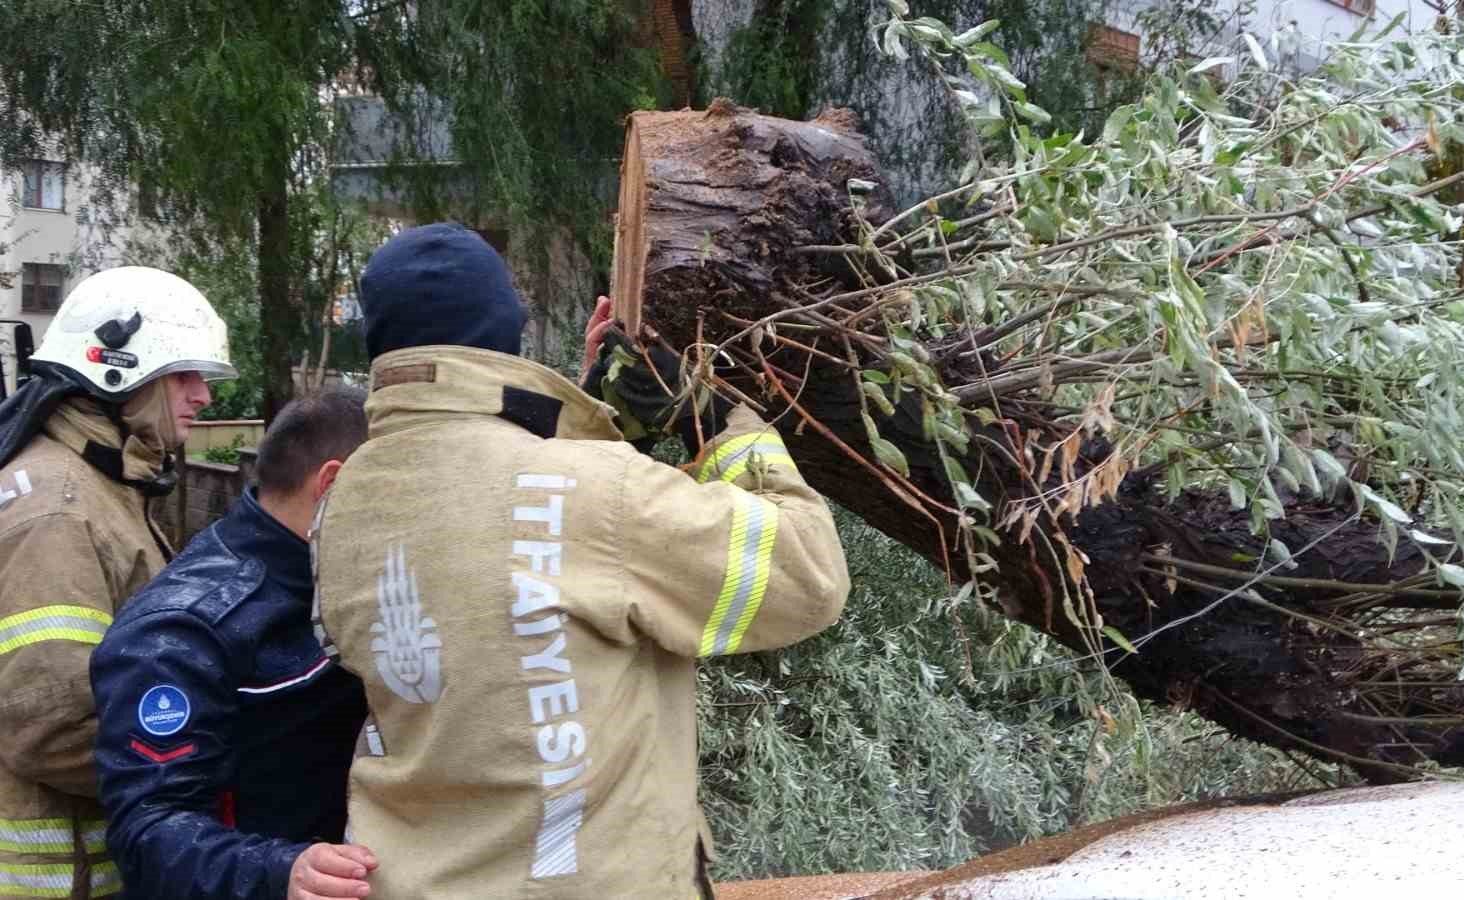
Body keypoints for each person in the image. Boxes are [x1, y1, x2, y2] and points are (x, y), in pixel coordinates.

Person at [310, 223, 851, 899]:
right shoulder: (598, 489)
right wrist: (710, 421)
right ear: (508, 329)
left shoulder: (344, 497)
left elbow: (499, 542)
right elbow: (808, 575)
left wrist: (586, 420)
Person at [0, 266, 234, 900]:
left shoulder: (104, 491)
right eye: (184, 374)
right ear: (119, 370)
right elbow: (51, 727)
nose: (203, 396)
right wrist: (201, 770)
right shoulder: (61, 512)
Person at [89, 387, 374, 900]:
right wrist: (281, 872)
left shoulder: (347, 581)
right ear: (334, 484)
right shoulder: (182, 628)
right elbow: (149, 832)